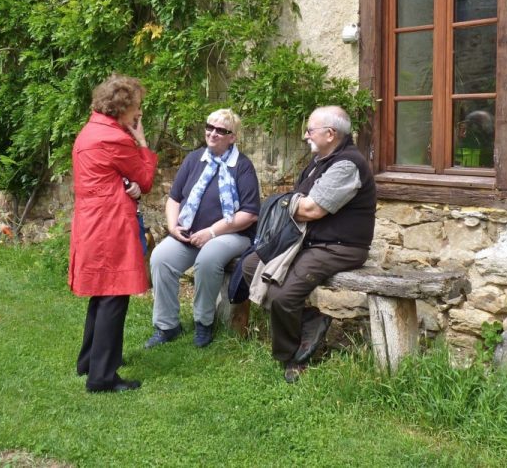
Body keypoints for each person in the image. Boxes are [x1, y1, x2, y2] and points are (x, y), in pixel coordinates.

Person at [243, 106, 376, 383]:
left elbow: (312, 210)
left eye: (310, 130)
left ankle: (293, 356)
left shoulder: (347, 164)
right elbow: (299, 203)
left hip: (339, 246)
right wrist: (290, 203)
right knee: (251, 265)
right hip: (308, 241)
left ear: (330, 134)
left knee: (283, 296)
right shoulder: (320, 161)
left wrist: (282, 203)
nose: (305, 136)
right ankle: (309, 321)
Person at [69, 74, 158, 393]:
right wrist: (142, 142)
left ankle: (89, 362)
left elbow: (110, 175)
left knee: (102, 293)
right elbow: (145, 179)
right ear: (122, 107)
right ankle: (102, 377)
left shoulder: (92, 130)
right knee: (114, 295)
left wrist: (126, 185)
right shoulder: (115, 138)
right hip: (110, 225)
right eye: (137, 106)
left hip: (94, 222)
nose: (139, 113)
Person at [145, 109, 260, 349]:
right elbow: (174, 198)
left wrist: (212, 232)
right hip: (190, 232)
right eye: (210, 127)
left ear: (232, 137)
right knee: (160, 258)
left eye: (221, 130)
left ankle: (203, 322)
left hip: (232, 234)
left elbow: (249, 214)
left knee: (208, 258)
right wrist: (173, 226)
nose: (213, 133)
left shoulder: (242, 166)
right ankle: (167, 326)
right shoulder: (194, 159)